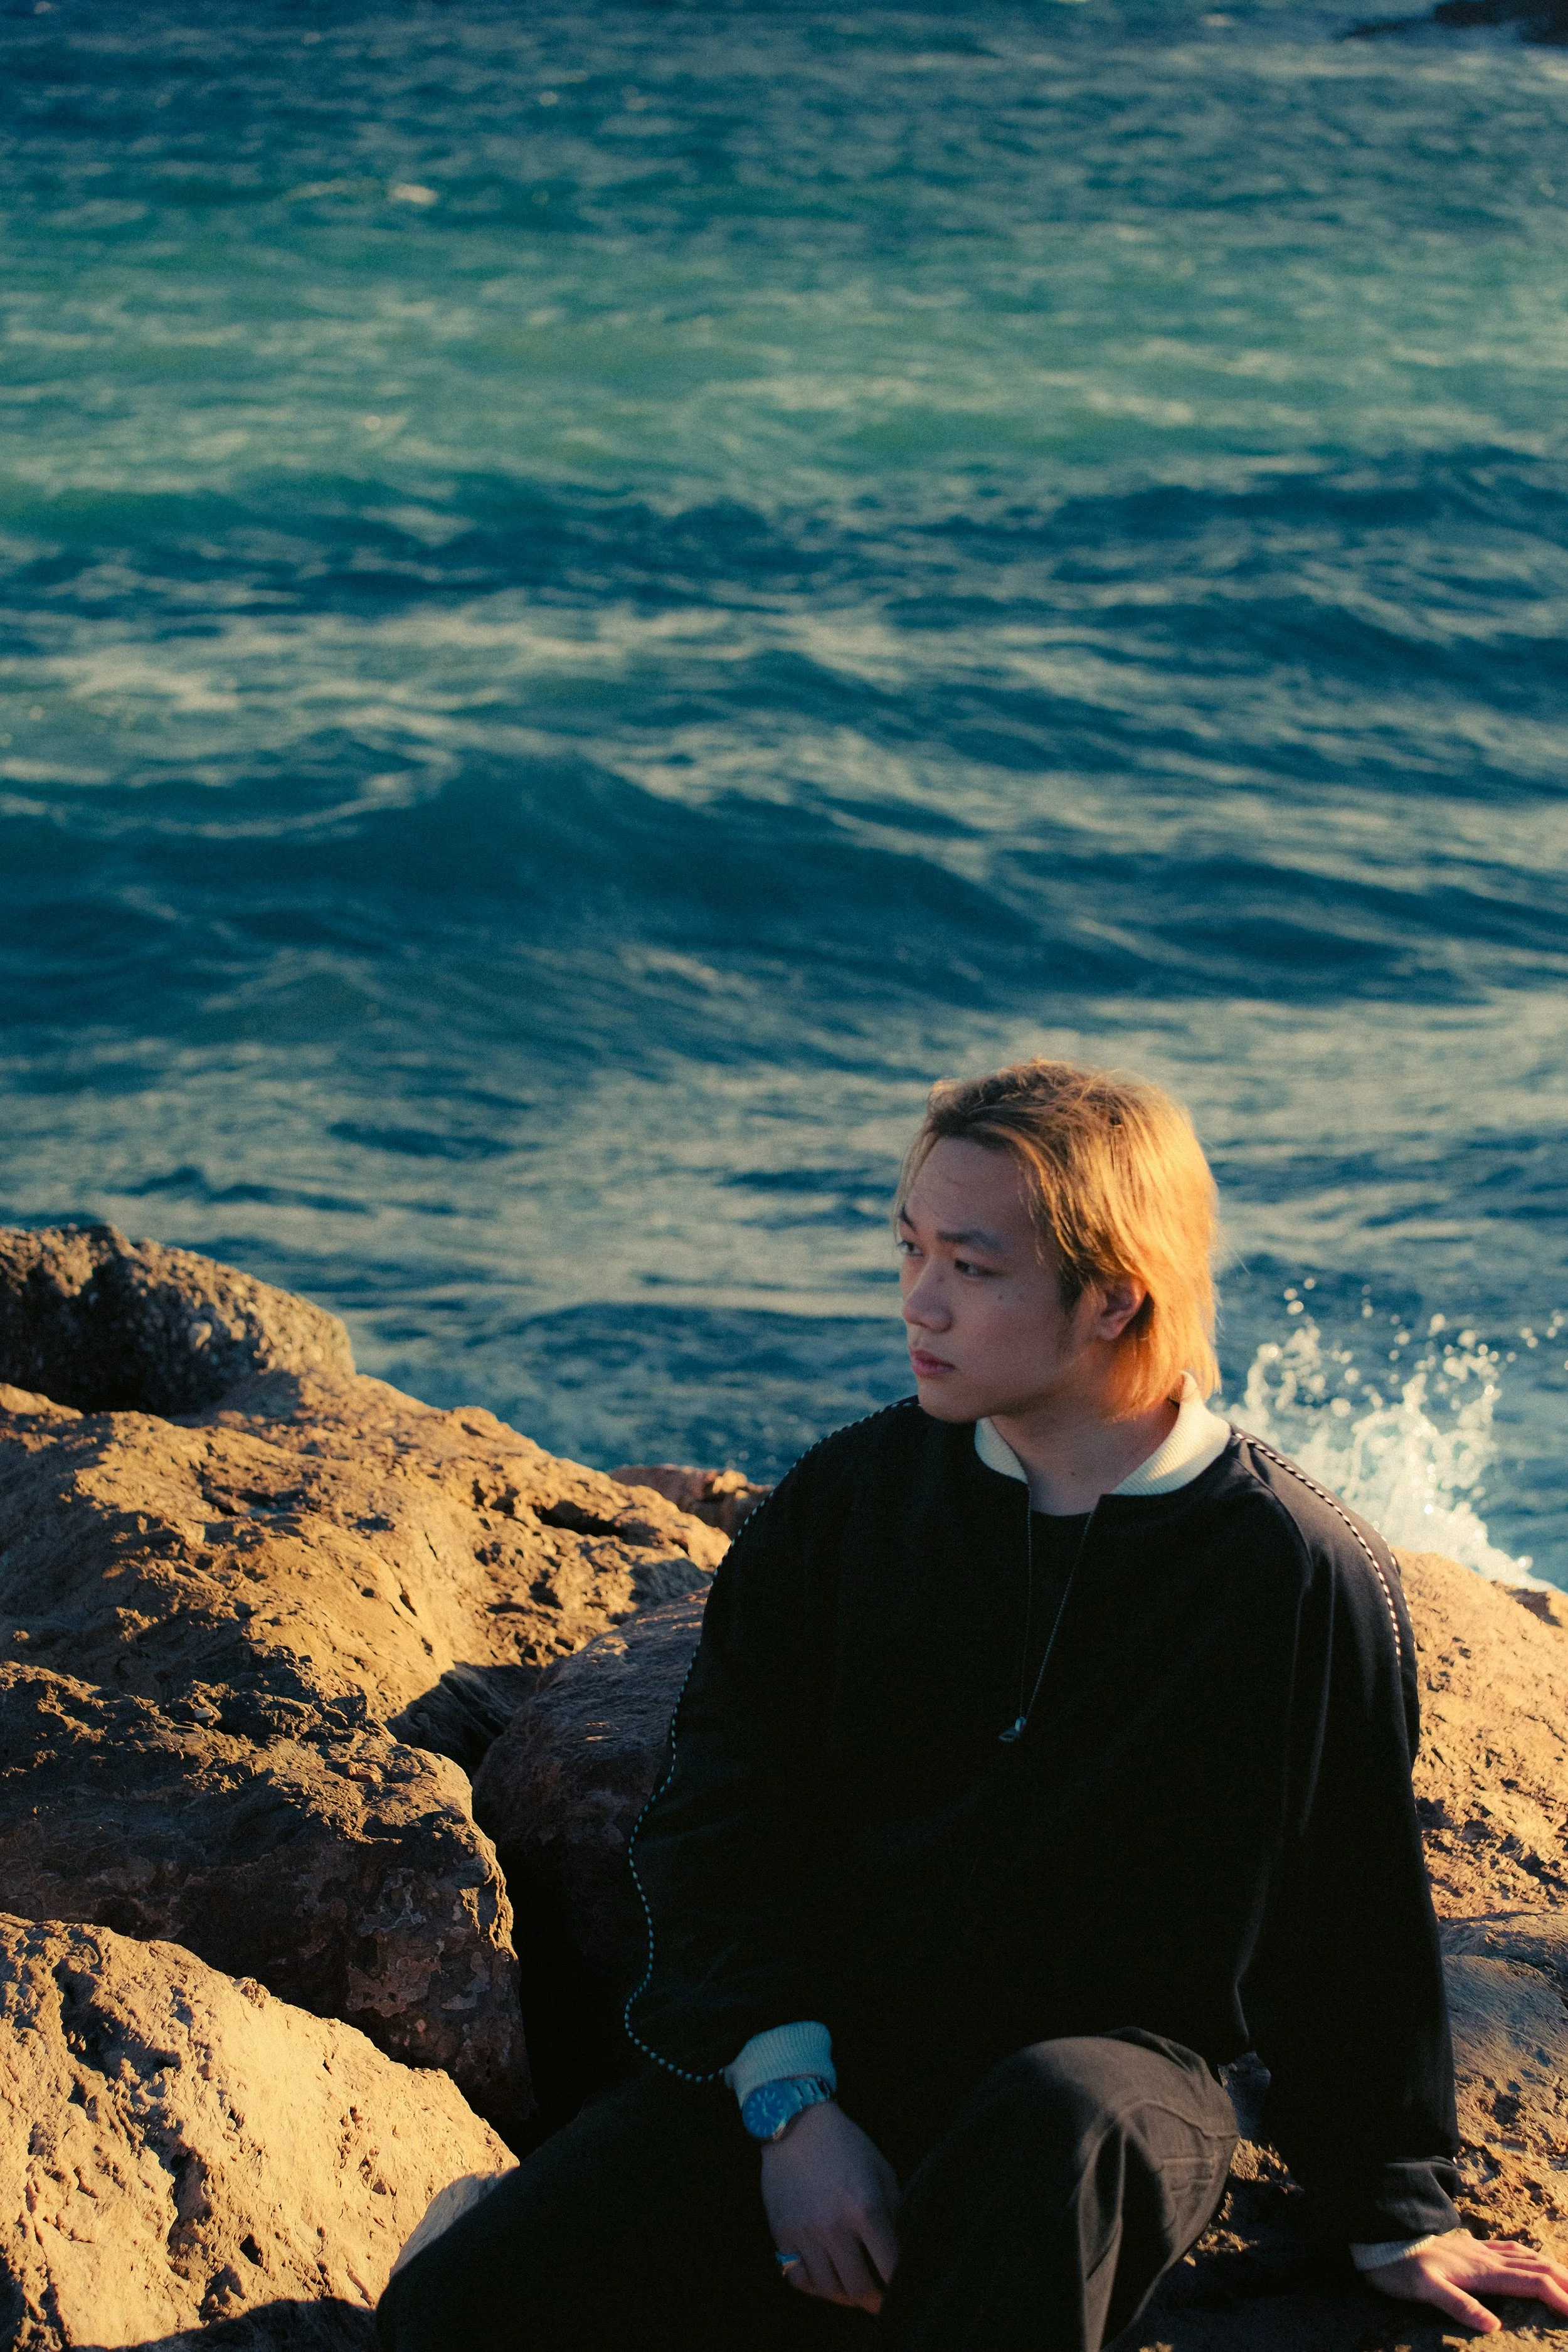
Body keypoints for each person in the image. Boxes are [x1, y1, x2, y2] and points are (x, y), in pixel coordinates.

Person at [378, 1059, 1568, 2351]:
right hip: (842, 2058)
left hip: (1121, 2086)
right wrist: (793, 2110)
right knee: (451, 2319)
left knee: (1048, 2134)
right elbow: (716, 1818)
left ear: (1113, 1295)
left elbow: (1349, 1914)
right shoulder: (849, 1500)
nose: (917, 1303)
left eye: (973, 1268)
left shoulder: (1288, 1569)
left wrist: (1391, 2212)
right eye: (910, 1249)